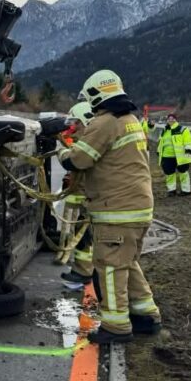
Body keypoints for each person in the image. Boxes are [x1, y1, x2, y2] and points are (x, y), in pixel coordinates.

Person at [58, 69, 162, 344]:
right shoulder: (130, 120)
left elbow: (79, 160)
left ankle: (116, 327)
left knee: (111, 268)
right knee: (127, 263)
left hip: (117, 211)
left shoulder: (105, 122)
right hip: (137, 208)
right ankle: (146, 315)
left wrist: (60, 150)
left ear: (95, 95)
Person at [59, 101, 95, 290]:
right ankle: (83, 271)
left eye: (78, 124)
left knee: (89, 236)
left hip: (99, 201)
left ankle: (86, 273)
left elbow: (74, 161)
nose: (74, 128)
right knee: (84, 234)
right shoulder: (89, 141)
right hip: (92, 200)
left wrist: (62, 152)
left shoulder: (91, 145)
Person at [157, 113, 191, 196]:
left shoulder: (182, 129)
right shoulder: (164, 130)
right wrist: (159, 151)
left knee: (183, 173)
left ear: (176, 120)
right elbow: (161, 142)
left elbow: (188, 141)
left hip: (180, 156)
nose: (171, 120)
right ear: (167, 120)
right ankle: (171, 190)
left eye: (173, 118)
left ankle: (186, 190)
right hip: (167, 156)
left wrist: (188, 150)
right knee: (169, 174)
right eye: (169, 118)